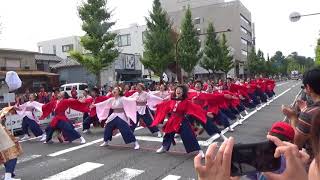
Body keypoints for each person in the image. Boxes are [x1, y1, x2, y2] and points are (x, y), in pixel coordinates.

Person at [151, 85, 206, 157]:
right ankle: (164, 147)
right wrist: (157, 106)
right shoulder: (172, 101)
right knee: (168, 134)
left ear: (183, 93)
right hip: (172, 120)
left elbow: (195, 108)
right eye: (177, 89)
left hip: (182, 120)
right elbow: (164, 105)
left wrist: (205, 112)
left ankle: (199, 150)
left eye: (180, 90)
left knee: (189, 135)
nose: (178, 90)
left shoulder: (186, 102)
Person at [282, 68, 320, 156]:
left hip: (314, 163)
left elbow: (296, 143)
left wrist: (292, 117)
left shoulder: (309, 114)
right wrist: (305, 110)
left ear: (308, 88)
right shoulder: (310, 112)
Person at [0, 109, 23, 180]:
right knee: (13, 157)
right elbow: (5, 135)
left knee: (5, 158)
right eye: (4, 117)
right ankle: (8, 176)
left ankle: (10, 173)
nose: (5, 118)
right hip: (4, 143)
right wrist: (15, 139)